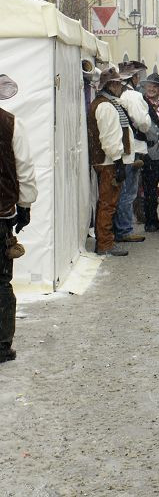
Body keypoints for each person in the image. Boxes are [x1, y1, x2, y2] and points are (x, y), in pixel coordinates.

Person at [0, 74, 37, 363]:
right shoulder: (10, 123)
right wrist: (25, 205)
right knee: (1, 280)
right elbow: (24, 168)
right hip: (1, 211)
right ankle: (1, 344)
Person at [88, 67, 131, 256]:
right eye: (118, 83)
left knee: (107, 201)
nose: (120, 86)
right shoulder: (105, 106)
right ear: (111, 85)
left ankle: (105, 240)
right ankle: (105, 243)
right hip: (108, 162)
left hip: (107, 160)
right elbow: (110, 137)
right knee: (108, 202)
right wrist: (118, 161)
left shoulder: (105, 103)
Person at [113, 62, 152, 243]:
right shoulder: (133, 96)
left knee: (122, 190)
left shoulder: (119, 95)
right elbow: (143, 123)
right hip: (133, 147)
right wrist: (146, 124)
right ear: (133, 78)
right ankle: (124, 230)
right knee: (128, 192)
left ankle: (120, 228)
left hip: (123, 146)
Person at [139, 72, 159, 232]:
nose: (151, 89)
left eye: (154, 86)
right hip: (149, 153)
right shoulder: (141, 104)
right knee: (150, 190)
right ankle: (151, 222)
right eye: (149, 86)